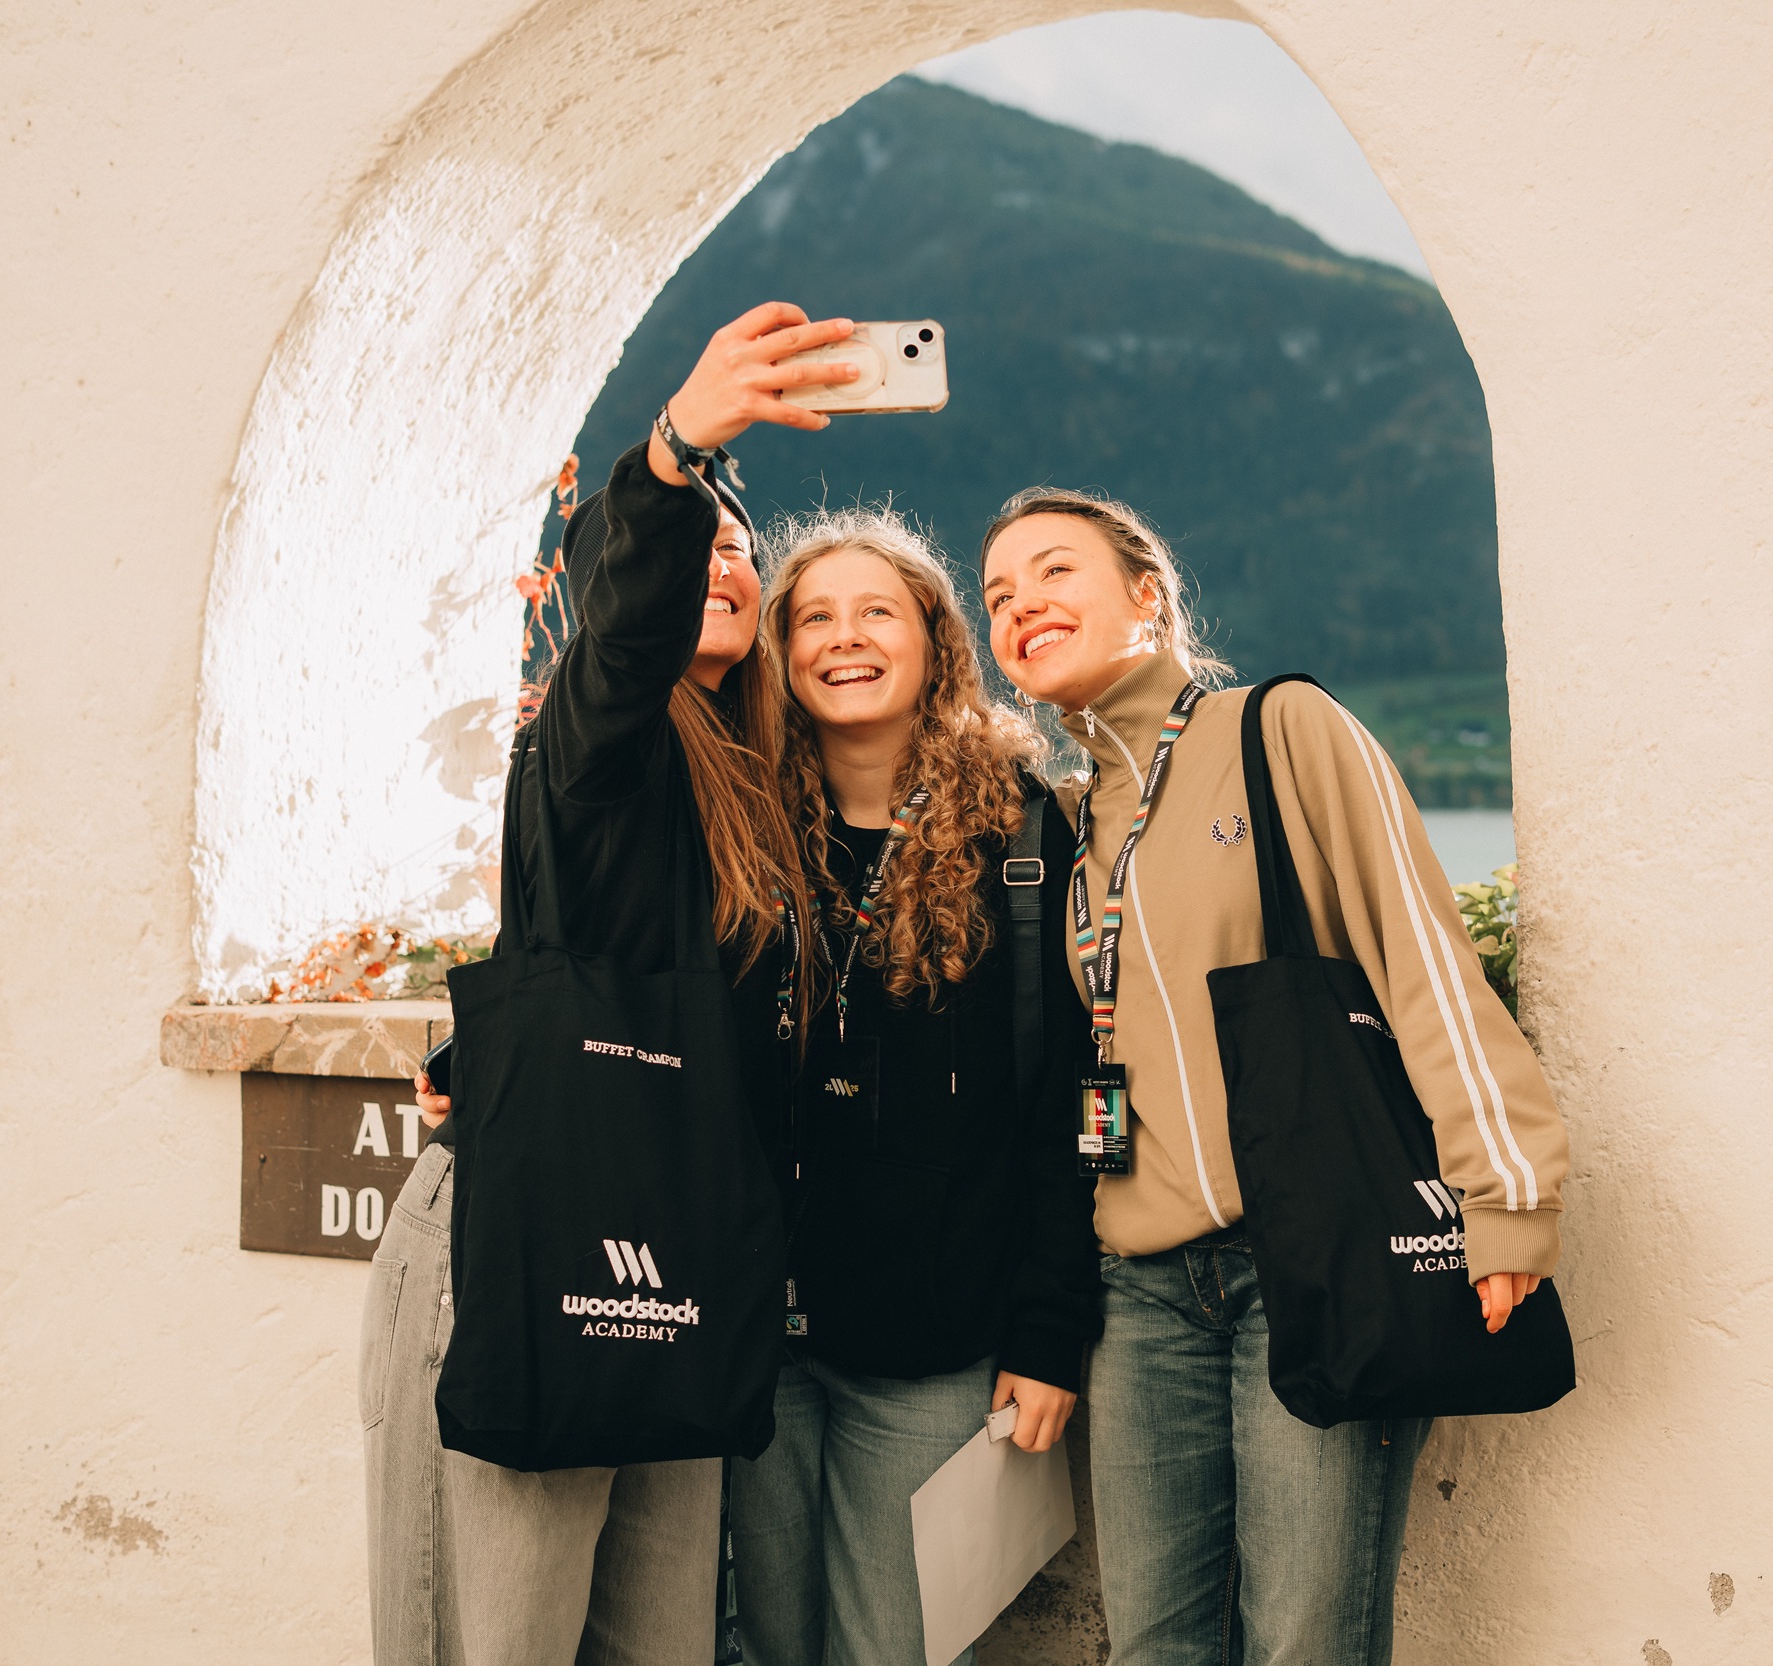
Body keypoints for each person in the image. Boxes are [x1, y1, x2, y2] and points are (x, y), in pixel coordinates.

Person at [977, 488, 1574, 1666]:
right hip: (1141, 1295)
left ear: (1147, 594)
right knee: (1152, 1647)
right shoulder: (1066, 826)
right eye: (995, 595)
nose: (1020, 605)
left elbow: (1420, 957)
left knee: (1304, 1642)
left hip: (1312, 1258)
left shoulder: (1278, 730)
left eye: (1052, 571)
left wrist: (1507, 1189)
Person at [360, 302, 862, 1666]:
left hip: (675, 1251)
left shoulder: (761, 792)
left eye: (742, 550)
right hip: (534, 1236)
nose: (724, 562)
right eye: (698, 545)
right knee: (504, 1641)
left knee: (660, 1645)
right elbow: (628, 631)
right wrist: (677, 455)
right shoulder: (594, 742)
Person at [728, 508, 1101, 1666]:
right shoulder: (742, 828)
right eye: (814, 618)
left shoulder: (1023, 840)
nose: (843, 637)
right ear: (782, 653)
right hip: (757, 1336)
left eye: (875, 612)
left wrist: (1048, 1333)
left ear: (935, 641)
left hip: (934, 1345)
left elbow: (1075, 1103)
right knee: (767, 1646)